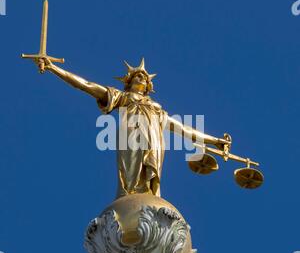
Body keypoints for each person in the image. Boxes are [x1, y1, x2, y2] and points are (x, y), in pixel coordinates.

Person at [36, 57, 229, 198]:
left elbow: (186, 130)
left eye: (144, 78)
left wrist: (215, 141)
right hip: (131, 139)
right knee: (130, 177)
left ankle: (148, 197)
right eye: (137, 76)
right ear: (129, 81)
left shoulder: (157, 110)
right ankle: (129, 197)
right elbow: (87, 85)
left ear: (148, 86)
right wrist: (54, 68)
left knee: (149, 177)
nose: (141, 78)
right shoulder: (123, 98)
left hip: (154, 142)